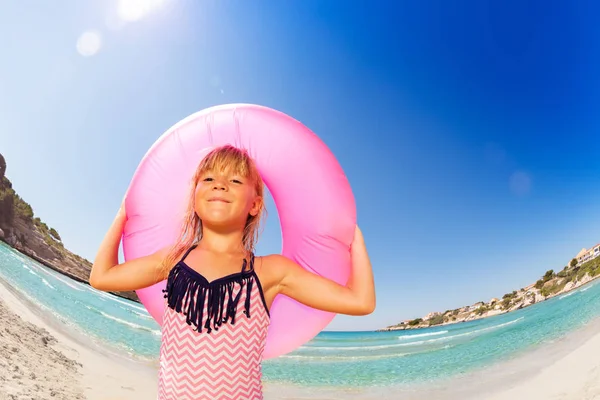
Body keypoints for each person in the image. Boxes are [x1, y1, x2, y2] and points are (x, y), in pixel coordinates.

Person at [89, 144, 376, 400]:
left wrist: (354, 234)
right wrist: (122, 215)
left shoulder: (269, 271)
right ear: (195, 196)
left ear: (254, 204)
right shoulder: (175, 258)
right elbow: (102, 277)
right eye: (209, 179)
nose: (220, 185)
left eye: (235, 180)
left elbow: (360, 301)